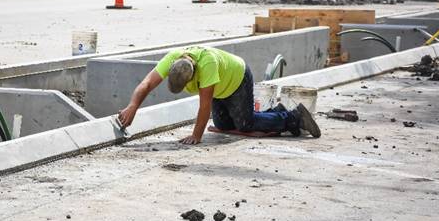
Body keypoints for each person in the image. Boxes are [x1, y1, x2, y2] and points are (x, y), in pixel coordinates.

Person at [117, 46, 321, 144]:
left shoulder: (207, 65)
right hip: (221, 87)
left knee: (245, 124)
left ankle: (294, 117)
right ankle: (276, 112)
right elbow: (145, 84)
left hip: (237, 79)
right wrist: (132, 106)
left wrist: (196, 136)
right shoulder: (172, 59)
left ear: (193, 75)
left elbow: (204, 106)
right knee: (224, 126)